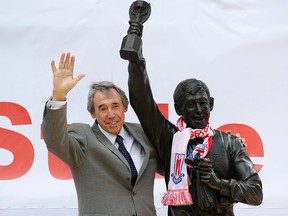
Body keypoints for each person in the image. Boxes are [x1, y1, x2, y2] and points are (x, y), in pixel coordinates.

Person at [126, 57, 263, 215]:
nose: (199, 110)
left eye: (203, 103)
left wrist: (218, 183)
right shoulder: (170, 139)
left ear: (211, 104)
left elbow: (255, 193)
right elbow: (142, 102)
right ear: (178, 109)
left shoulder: (230, 143)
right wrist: (136, 62)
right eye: (191, 104)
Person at [41, 52, 162, 216]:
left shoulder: (143, 133)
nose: (111, 114)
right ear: (93, 113)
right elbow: (55, 141)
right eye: (103, 108)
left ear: (125, 107)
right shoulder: (84, 137)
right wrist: (59, 96)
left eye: (115, 106)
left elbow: (171, 165)